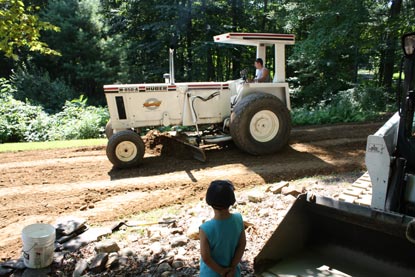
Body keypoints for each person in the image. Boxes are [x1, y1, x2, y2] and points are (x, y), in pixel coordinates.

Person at [199, 180, 246, 277]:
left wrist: (221, 271)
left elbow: (206, 257)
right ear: (231, 200)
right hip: (233, 273)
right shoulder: (238, 219)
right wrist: (232, 267)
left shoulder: (205, 229)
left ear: (209, 200)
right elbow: (242, 244)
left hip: (211, 274)